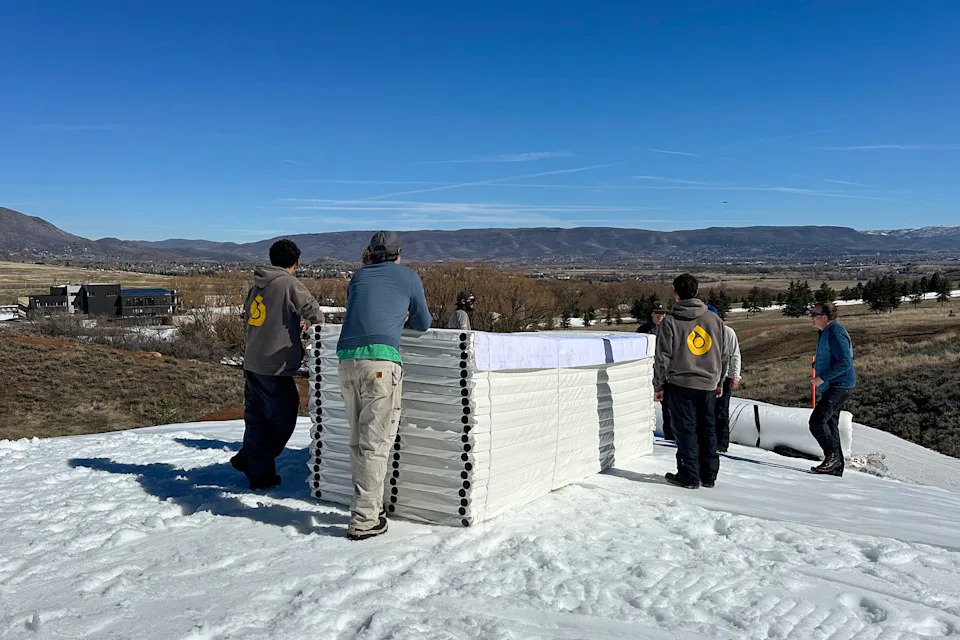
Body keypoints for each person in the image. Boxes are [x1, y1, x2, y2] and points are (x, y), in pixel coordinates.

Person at [337, 230, 431, 540]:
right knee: (375, 444)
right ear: (398, 254)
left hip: (347, 362)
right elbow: (423, 322)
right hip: (381, 363)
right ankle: (365, 520)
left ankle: (369, 507)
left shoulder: (358, 278)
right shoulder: (407, 277)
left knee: (357, 441)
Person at [232, 239, 324, 490]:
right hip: (276, 364)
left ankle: (257, 471)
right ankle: (253, 461)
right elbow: (315, 312)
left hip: (252, 361)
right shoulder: (288, 283)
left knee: (257, 418)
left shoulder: (257, 284)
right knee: (284, 417)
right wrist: (314, 331)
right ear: (297, 262)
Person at [653, 274, 729, 489]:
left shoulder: (670, 322)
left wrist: (658, 385)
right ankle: (709, 475)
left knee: (686, 430)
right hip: (708, 384)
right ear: (696, 292)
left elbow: (663, 358)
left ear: (675, 294)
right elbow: (724, 354)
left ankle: (688, 475)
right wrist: (719, 380)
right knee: (708, 429)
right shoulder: (714, 320)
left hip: (680, 384)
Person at [808, 301, 856, 476]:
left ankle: (833, 457)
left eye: (814, 315)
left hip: (840, 385)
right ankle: (836, 465)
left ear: (825, 317)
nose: (811, 318)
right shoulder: (826, 332)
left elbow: (845, 361)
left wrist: (822, 377)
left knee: (817, 422)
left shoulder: (835, 332)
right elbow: (833, 356)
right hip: (834, 385)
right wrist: (819, 364)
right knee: (829, 423)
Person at [637, 302, 675, 440]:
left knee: (669, 409)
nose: (660, 316)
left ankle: (670, 437)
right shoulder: (643, 330)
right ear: (652, 313)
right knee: (645, 406)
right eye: (658, 313)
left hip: (666, 373)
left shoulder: (669, 329)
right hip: (648, 372)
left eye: (663, 313)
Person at [707, 305, 741, 453]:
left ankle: (722, 444)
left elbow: (735, 355)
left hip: (724, 377)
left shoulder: (728, 332)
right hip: (707, 377)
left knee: (721, 411)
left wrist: (735, 376)